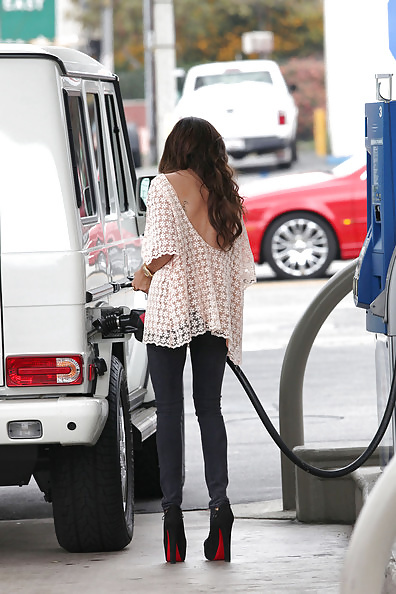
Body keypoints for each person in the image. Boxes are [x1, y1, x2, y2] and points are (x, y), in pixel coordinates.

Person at [132, 116, 256, 564]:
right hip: (212, 317)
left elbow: (159, 253)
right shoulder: (225, 195)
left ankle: (172, 524)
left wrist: (141, 276)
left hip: (170, 313)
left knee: (169, 412)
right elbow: (235, 266)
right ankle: (220, 512)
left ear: (177, 148)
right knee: (210, 410)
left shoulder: (164, 187)